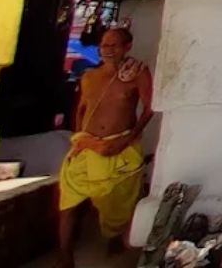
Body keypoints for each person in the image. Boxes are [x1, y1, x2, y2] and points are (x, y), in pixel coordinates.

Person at [58, 25, 152, 266]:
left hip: (118, 147)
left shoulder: (137, 73)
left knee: (115, 203)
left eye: (113, 45)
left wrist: (128, 138)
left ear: (127, 47)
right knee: (68, 203)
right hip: (86, 147)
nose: (107, 50)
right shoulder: (89, 76)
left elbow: (150, 107)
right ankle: (65, 255)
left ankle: (113, 236)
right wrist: (79, 138)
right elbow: (81, 109)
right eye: (104, 45)